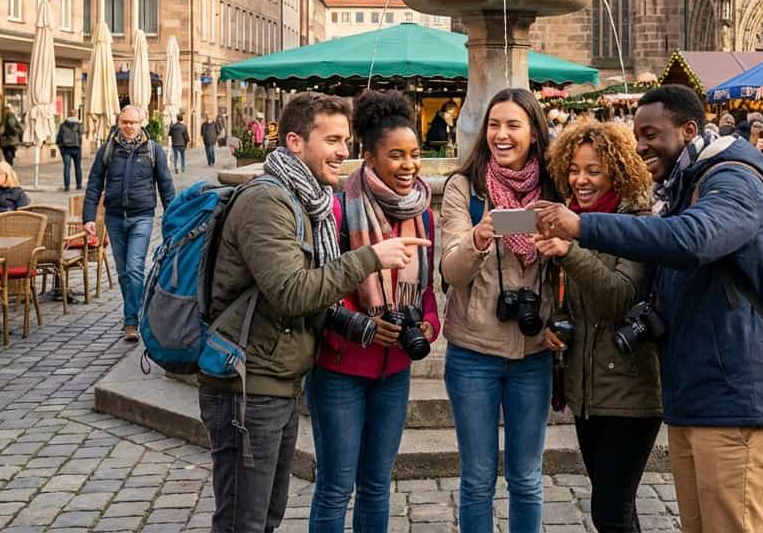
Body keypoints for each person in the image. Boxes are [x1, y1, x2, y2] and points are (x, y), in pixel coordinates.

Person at [532, 85, 763, 533]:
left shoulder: (733, 178)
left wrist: (582, 228)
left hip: (735, 393)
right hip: (695, 391)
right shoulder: (685, 185)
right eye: (637, 134)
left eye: (652, 133)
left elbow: (692, 240)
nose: (641, 145)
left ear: (689, 129)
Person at [200, 92, 427, 533]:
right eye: (333, 140)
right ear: (295, 142)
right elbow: (290, 292)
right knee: (241, 521)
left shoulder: (308, 200)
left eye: (346, 141)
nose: (345, 151)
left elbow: (305, 297)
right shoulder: (268, 202)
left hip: (274, 377)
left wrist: (358, 326)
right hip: (248, 381)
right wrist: (371, 258)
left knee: (265, 514)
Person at [308, 90, 440, 533]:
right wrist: (363, 326)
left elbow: (426, 294)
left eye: (415, 154)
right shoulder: (339, 209)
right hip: (341, 367)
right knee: (335, 485)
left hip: (394, 369)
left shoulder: (423, 212)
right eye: (396, 155)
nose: (409, 166)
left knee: (377, 484)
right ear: (369, 156)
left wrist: (426, 324)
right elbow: (320, 288)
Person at [440, 88, 560, 533]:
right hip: (473, 352)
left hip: (534, 353)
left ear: (534, 133)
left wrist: (560, 244)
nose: (501, 135)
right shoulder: (464, 188)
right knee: (476, 480)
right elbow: (451, 271)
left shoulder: (554, 187)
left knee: (527, 479)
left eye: (513, 125)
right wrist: (477, 238)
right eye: (494, 124)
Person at [538, 121, 662, 533]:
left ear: (618, 170)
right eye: (574, 169)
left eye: (593, 170)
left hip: (631, 388)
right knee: (617, 509)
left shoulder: (637, 221)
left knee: (609, 511)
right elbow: (577, 303)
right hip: (587, 388)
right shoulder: (573, 217)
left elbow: (621, 296)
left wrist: (569, 251)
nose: (580, 179)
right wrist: (554, 322)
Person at [82, 105, 174, 342]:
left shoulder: (153, 151)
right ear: (119, 122)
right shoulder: (108, 150)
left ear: (141, 122)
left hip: (142, 216)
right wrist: (89, 217)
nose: (129, 127)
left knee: (134, 269)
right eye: (125, 122)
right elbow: (94, 184)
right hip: (114, 217)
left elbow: (165, 185)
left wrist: (174, 216)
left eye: (133, 122)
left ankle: (132, 321)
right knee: (123, 273)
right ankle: (136, 312)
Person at [57, 112, 84, 192]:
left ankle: (67, 187)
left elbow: (59, 136)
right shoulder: (79, 125)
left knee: (67, 167)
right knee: (78, 167)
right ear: (75, 115)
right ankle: (78, 185)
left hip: (65, 149)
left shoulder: (63, 124)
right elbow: (80, 136)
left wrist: (60, 146)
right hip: (76, 148)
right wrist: (79, 144)